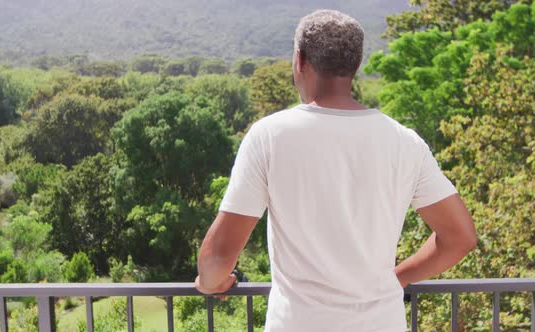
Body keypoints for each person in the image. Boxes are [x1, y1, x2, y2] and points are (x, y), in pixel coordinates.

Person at [195, 9, 476, 331]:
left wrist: (208, 282)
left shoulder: (270, 136)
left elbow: (219, 255)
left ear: (300, 60)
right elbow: (460, 237)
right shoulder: (404, 141)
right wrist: (397, 278)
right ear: (354, 65)